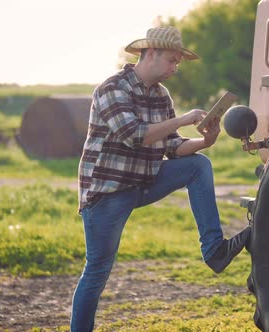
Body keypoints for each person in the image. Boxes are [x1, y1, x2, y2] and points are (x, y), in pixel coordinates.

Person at [70, 26, 251, 331]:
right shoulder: (112, 88)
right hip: (107, 193)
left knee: (198, 165)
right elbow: (134, 136)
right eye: (171, 60)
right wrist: (182, 118)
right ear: (150, 54)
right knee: (97, 270)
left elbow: (173, 146)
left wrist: (207, 140)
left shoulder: (161, 95)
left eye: (178, 62)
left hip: (145, 181)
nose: (175, 68)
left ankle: (214, 251)